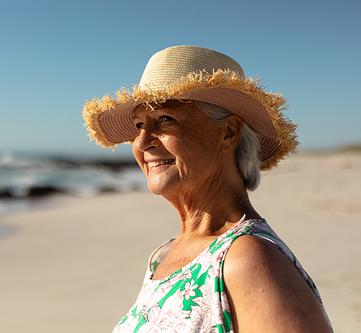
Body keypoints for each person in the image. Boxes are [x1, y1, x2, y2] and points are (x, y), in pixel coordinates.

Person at [82, 45, 333, 333]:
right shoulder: (163, 257)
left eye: (165, 118)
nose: (141, 142)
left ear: (228, 132)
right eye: (139, 124)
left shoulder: (248, 259)